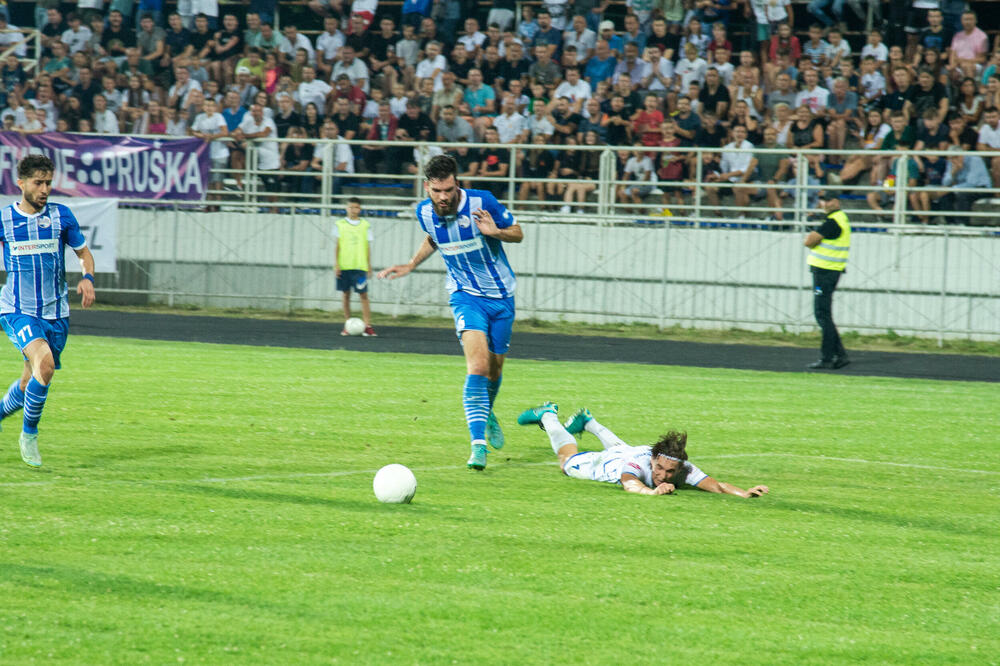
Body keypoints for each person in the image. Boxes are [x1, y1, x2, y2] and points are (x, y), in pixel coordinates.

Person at [377, 155, 523, 470]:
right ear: (427, 186)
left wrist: (495, 231)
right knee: (478, 366)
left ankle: (486, 412)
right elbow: (434, 238)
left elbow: (518, 232)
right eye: (437, 191)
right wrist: (411, 264)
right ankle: (478, 447)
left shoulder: (482, 201)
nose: (443, 197)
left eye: (448, 189)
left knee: (495, 370)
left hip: (502, 297)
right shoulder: (424, 212)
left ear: (457, 183)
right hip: (464, 296)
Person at [0, 155, 96, 467]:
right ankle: (29, 435)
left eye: (48, 183)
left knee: (31, 381)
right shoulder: (5, 221)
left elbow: (83, 253)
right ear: (21, 183)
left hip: (57, 313)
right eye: (38, 183)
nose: (44, 189)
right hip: (18, 309)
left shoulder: (61, 216)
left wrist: (88, 278)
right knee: (47, 364)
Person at [516, 402, 770, 498]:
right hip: (608, 463)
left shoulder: (681, 467)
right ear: (653, 460)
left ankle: (590, 422)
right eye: (660, 468)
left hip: (627, 451)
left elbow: (718, 486)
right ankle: (548, 416)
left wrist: (745, 493)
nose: (664, 475)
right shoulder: (638, 464)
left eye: (670, 472)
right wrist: (653, 492)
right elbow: (629, 484)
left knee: (623, 448)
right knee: (566, 461)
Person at [803, 193, 850, 370]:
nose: (824, 203)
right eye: (822, 200)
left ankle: (827, 357)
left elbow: (809, 241)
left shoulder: (832, 222)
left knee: (822, 314)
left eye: (828, 200)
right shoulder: (840, 218)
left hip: (825, 272)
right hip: (831, 271)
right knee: (824, 314)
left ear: (836, 202)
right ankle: (840, 354)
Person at [334, 198, 376, 337]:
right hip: (345, 265)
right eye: (351, 207)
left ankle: (367, 325)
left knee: (363, 295)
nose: (353, 210)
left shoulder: (365, 225)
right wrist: (337, 264)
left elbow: (368, 247)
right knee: (346, 295)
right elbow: (337, 246)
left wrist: (369, 266)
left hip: (360, 266)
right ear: (347, 208)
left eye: (356, 207)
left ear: (360, 209)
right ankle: (347, 324)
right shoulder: (339, 224)